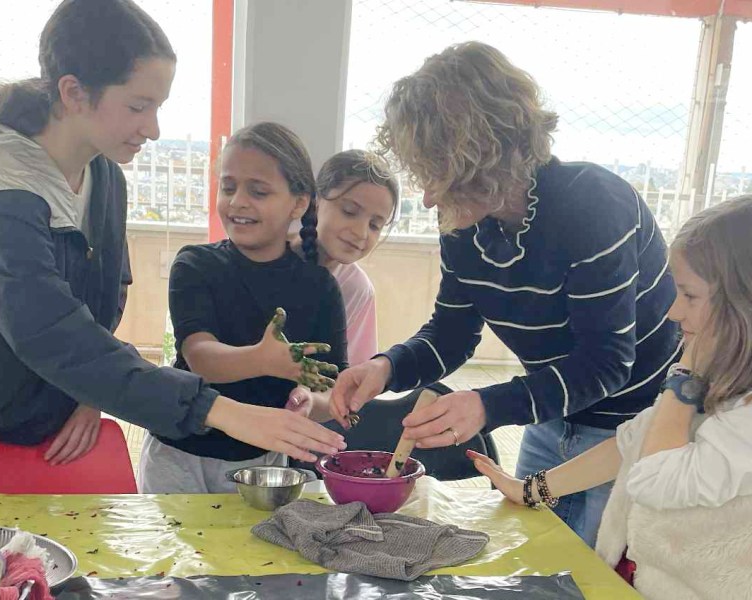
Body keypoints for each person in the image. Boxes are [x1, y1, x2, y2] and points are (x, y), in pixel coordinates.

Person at [0, 0, 345, 467]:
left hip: (56, 422)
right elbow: (49, 331)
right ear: (74, 92)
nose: (154, 129)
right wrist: (220, 410)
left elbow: (103, 299)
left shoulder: (104, 176)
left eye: (158, 107)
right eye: (139, 106)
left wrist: (89, 392)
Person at [330, 41, 680, 546]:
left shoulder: (593, 206)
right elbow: (451, 334)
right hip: (550, 413)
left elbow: (607, 362)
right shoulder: (463, 222)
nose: (429, 196)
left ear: (486, 154)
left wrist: (487, 406)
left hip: (630, 429)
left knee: (603, 573)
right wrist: (384, 369)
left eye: (439, 172)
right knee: (539, 560)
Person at [470, 195, 752, 600]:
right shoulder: (724, 381)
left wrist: (684, 376)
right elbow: (633, 442)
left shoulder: (717, 401)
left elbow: (656, 478)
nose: (674, 312)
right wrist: (529, 489)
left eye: (689, 296)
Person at [138, 122, 349, 493]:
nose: (237, 202)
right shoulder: (195, 264)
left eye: (259, 191)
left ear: (298, 203)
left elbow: (334, 390)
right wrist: (262, 359)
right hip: (178, 454)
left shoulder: (320, 288)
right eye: (229, 186)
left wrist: (308, 400)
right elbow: (200, 356)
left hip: (264, 463)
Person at [291, 149, 399, 365]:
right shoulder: (266, 254)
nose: (361, 232)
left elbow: (352, 377)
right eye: (349, 211)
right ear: (317, 201)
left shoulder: (357, 288)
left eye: (374, 225)